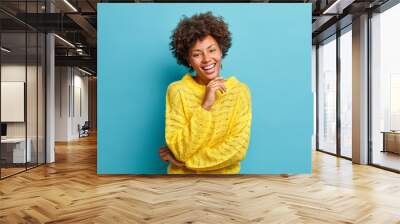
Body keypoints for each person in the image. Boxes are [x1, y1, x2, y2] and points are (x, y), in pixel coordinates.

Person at [159, 12, 252, 174]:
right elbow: (180, 149)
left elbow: (237, 150)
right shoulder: (177, 90)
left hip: (224, 184)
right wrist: (206, 105)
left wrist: (184, 162)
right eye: (196, 54)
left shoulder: (240, 92)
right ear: (188, 59)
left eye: (212, 50)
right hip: (180, 185)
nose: (206, 59)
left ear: (221, 51)